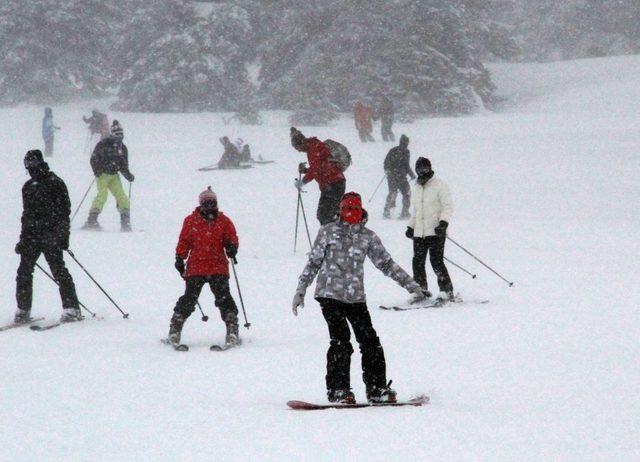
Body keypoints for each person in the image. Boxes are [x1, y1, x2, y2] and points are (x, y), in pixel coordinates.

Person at [292, 192, 426, 404]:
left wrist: (412, 286)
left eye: (354, 209)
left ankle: (377, 389)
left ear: (361, 211)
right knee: (341, 340)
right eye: (346, 209)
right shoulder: (327, 232)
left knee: (370, 341)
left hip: (355, 298)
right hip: (329, 295)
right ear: (340, 211)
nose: (350, 213)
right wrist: (301, 290)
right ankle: (338, 390)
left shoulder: (368, 237)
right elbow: (313, 262)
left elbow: (386, 264)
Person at [167, 187, 241, 347]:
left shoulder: (224, 221)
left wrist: (232, 247)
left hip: (217, 267)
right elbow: (184, 241)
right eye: (206, 204)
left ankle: (232, 328)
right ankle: (175, 329)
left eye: (212, 203)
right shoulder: (191, 221)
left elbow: (232, 237)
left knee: (224, 298)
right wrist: (180, 258)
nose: (210, 207)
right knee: (189, 299)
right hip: (196, 267)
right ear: (200, 205)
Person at [14, 150, 82, 324]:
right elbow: (26, 215)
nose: (30, 169)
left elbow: (64, 212)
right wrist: (23, 239)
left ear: (40, 163)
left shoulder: (56, 183)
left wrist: (63, 236)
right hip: (32, 237)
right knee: (23, 271)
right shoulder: (28, 187)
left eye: (32, 165)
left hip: (51, 235)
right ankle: (23, 309)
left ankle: (71, 308)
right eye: (27, 166)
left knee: (58, 271)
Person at [406, 157, 454, 300]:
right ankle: (421, 291)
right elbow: (416, 211)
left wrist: (443, 223)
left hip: (435, 232)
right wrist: (410, 226)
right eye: (419, 169)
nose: (421, 172)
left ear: (429, 168)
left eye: (424, 168)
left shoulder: (439, 185)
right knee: (417, 262)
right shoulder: (416, 187)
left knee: (436, 261)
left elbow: (448, 206)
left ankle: (446, 291)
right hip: (419, 233)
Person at [82, 121, 135, 231]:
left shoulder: (122, 148)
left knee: (122, 197)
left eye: (121, 134)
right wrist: (97, 171)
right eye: (117, 134)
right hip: (102, 175)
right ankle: (92, 220)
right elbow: (94, 159)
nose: (119, 137)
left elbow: (123, 165)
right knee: (102, 195)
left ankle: (125, 222)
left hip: (114, 176)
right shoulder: (103, 144)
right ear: (112, 134)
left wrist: (128, 175)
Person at [290, 127, 346, 225]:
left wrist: (302, 182)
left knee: (324, 215)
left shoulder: (313, 148)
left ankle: (333, 235)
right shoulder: (313, 146)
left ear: (301, 143)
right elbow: (319, 167)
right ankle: (335, 233)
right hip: (334, 182)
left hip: (332, 183)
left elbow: (315, 169)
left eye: (297, 148)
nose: (298, 151)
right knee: (329, 214)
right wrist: (306, 170)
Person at [383, 134, 415, 219]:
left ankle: (404, 212)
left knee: (406, 193)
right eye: (405, 143)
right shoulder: (394, 151)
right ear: (401, 142)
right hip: (393, 177)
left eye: (406, 143)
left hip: (401, 177)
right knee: (394, 193)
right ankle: (387, 212)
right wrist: (388, 171)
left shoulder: (406, 152)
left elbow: (406, 165)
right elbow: (386, 163)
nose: (405, 144)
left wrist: (412, 174)